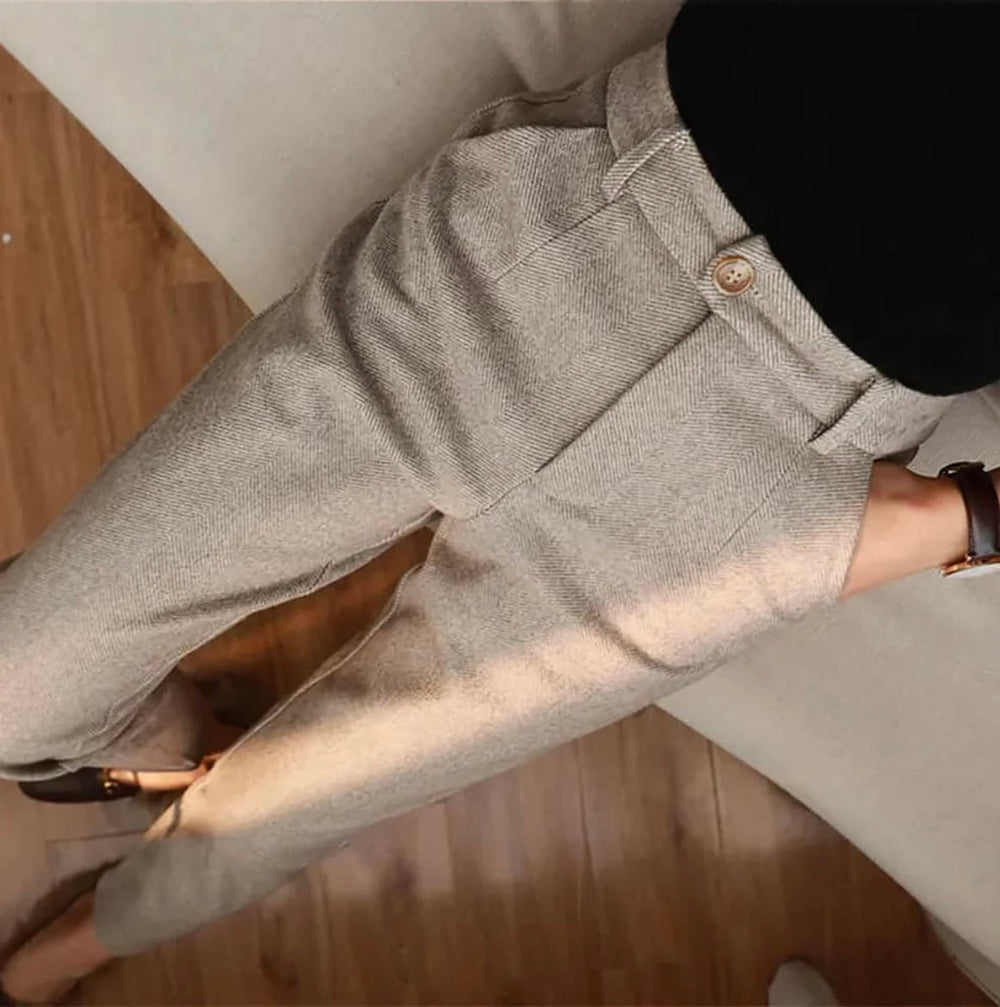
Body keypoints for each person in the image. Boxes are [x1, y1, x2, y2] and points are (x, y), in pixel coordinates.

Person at [3, 3, 1000, 1002]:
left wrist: (962, 521)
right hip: (595, 218)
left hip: (743, 432)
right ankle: (122, 793)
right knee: (60, 686)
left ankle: (89, 924)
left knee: (320, 779)